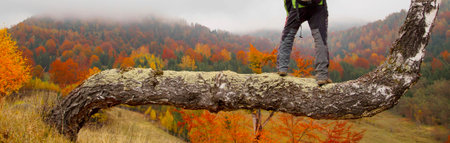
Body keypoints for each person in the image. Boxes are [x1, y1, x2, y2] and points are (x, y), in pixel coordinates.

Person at [277, 0, 332, 86]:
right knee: (320, 39)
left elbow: (287, 1)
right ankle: (322, 76)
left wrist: (289, 12)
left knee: (287, 36)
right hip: (318, 6)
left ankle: (282, 68)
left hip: (297, 7)